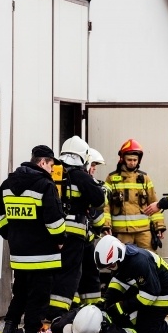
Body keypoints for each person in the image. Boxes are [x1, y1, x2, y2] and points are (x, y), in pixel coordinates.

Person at [0, 145, 65, 333]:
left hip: (20, 254)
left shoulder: (8, 184)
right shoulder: (45, 185)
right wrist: (60, 240)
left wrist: (11, 234)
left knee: (20, 293)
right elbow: (55, 221)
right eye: (51, 165)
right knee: (38, 298)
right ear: (42, 162)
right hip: (43, 255)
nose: (52, 169)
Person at [46, 136, 106, 320]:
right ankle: (57, 313)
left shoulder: (54, 172)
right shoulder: (80, 176)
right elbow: (99, 200)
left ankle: (88, 308)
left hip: (54, 230)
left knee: (80, 271)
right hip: (75, 232)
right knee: (69, 273)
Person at [94, 235, 168, 333]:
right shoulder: (122, 261)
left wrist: (123, 307)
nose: (110, 268)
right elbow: (119, 281)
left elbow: (149, 295)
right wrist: (106, 301)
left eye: (110, 266)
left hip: (166, 295)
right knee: (121, 312)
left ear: (119, 256)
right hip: (149, 289)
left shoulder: (138, 261)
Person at [105, 139, 165, 250]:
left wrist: (159, 226)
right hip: (122, 232)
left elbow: (153, 203)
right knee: (123, 259)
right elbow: (106, 205)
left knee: (150, 257)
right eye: (129, 160)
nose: (132, 163)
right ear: (122, 159)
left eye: (135, 160)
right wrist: (106, 224)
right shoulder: (111, 178)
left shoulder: (145, 178)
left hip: (144, 232)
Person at [76, 147, 111, 307]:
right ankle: (74, 308)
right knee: (76, 275)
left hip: (87, 238)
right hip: (77, 238)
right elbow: (96, 212)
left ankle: (93, 307)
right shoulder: (84, 183)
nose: (95, 169)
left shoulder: (88, 182)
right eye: (94, 165)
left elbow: (96, 216)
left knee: (89, 275)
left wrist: (101, 227)